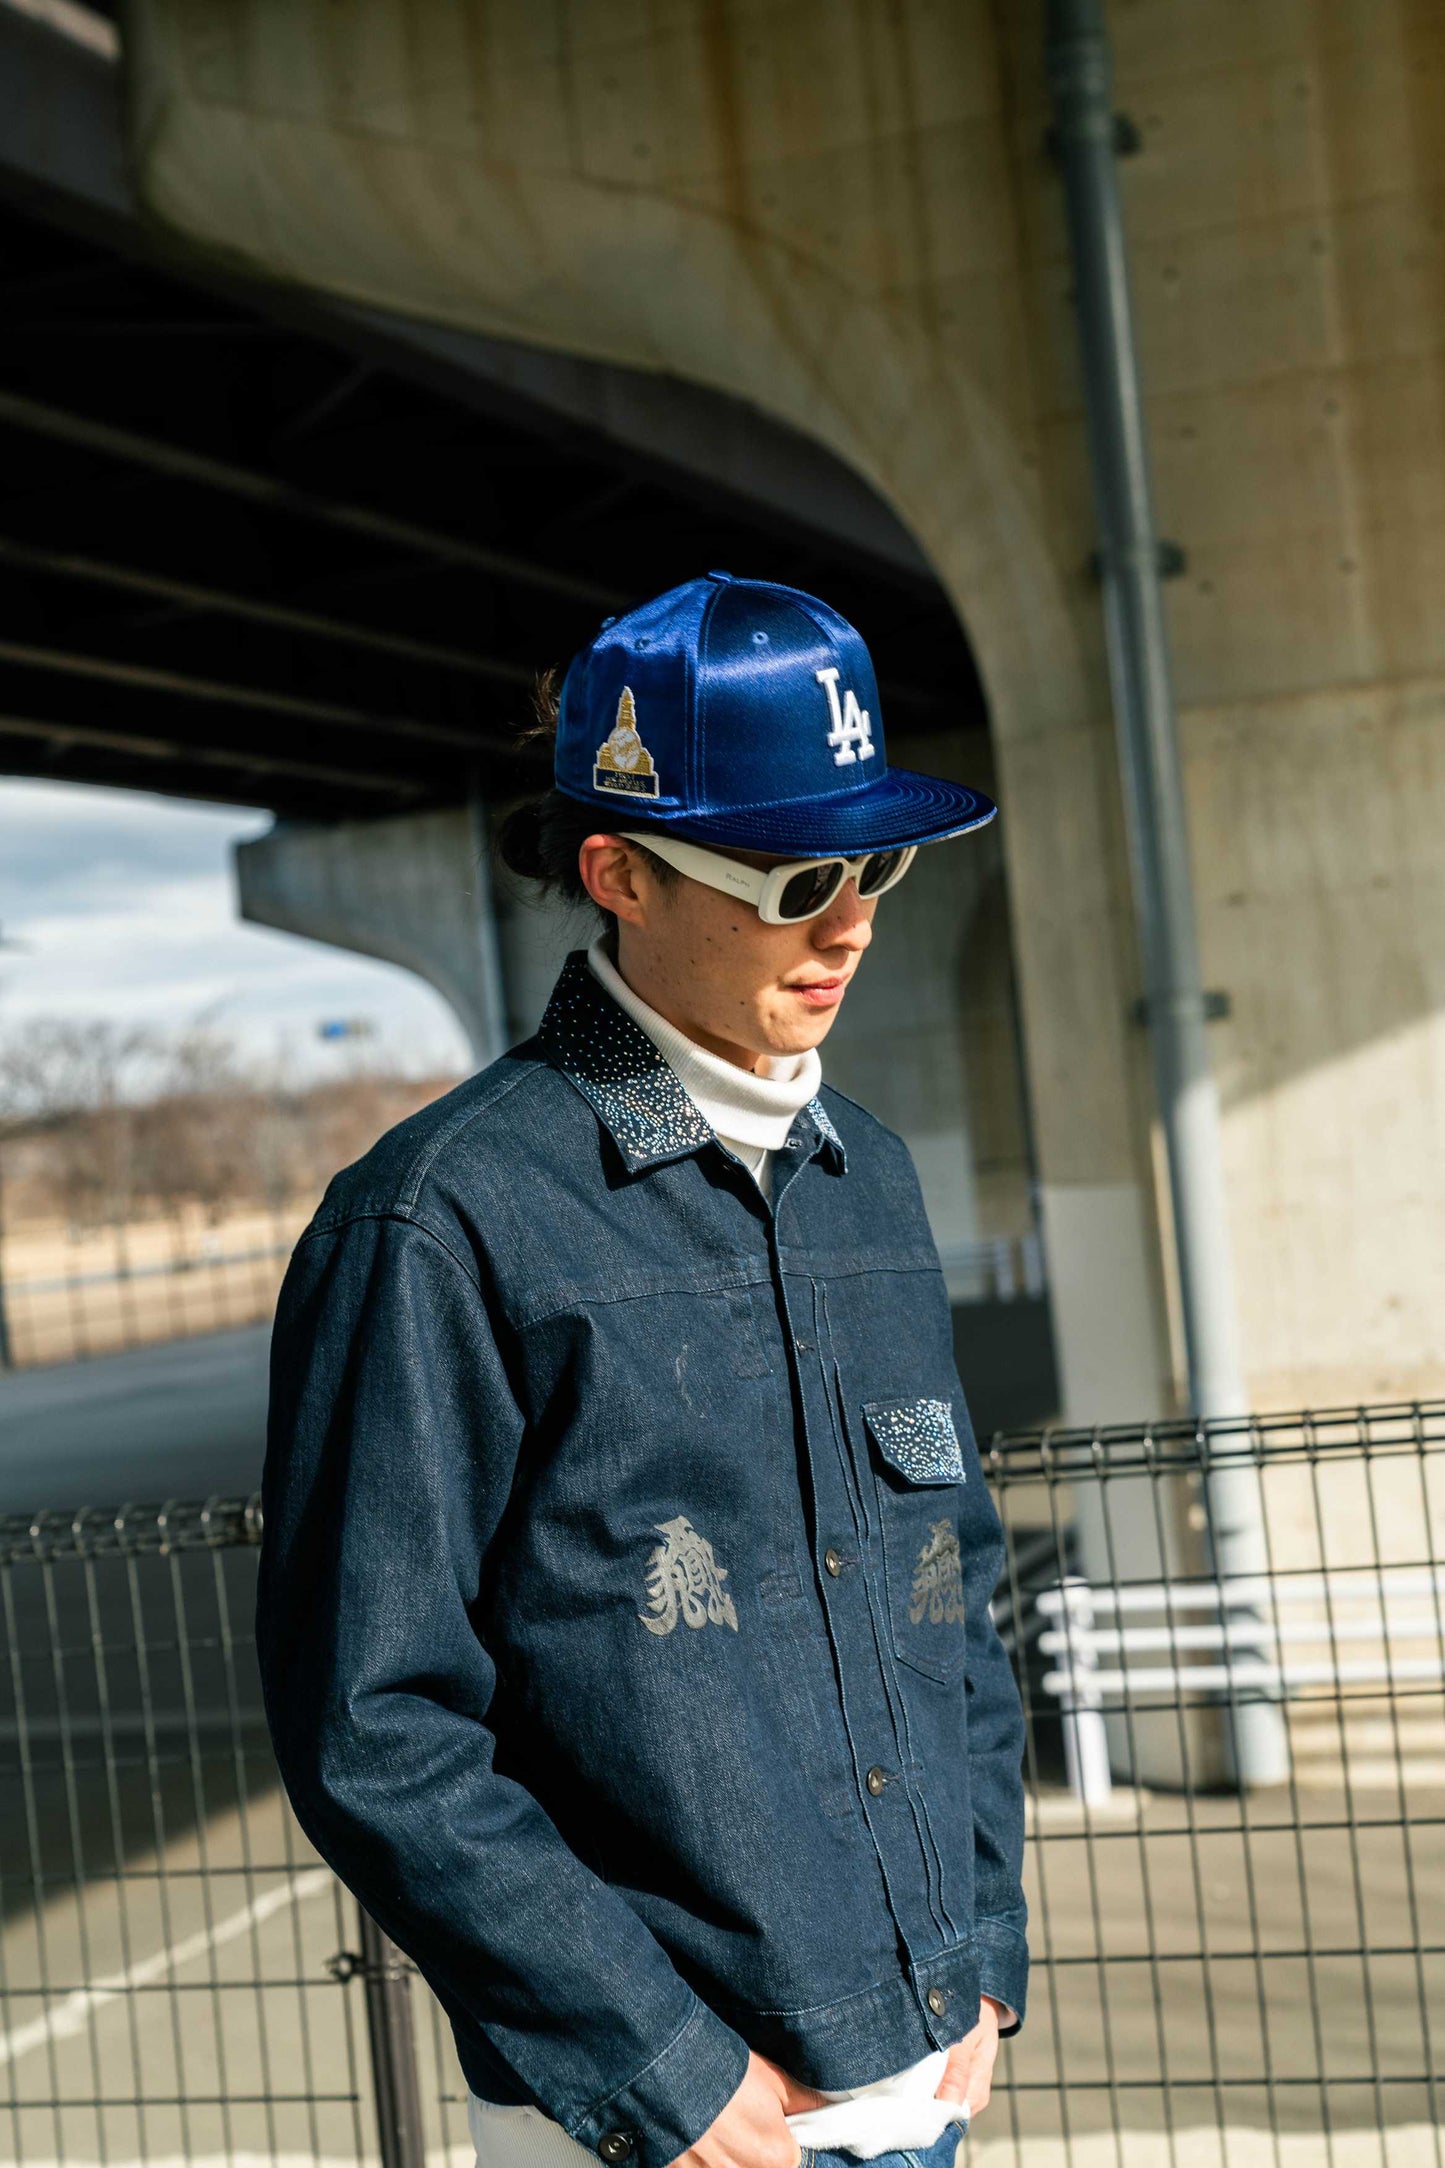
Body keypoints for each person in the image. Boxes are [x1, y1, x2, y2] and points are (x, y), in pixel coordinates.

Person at [256, 572, 1030, 2168]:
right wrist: (654, 2068)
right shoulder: (441, 1218)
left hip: (919, 2086)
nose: (854, 917)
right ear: (616, 870)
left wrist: (983, 1962)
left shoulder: (864, 1178)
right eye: (795, 870)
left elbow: (949, 1593)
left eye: (876, 857)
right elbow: (376, 1718)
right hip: (661, 2130)